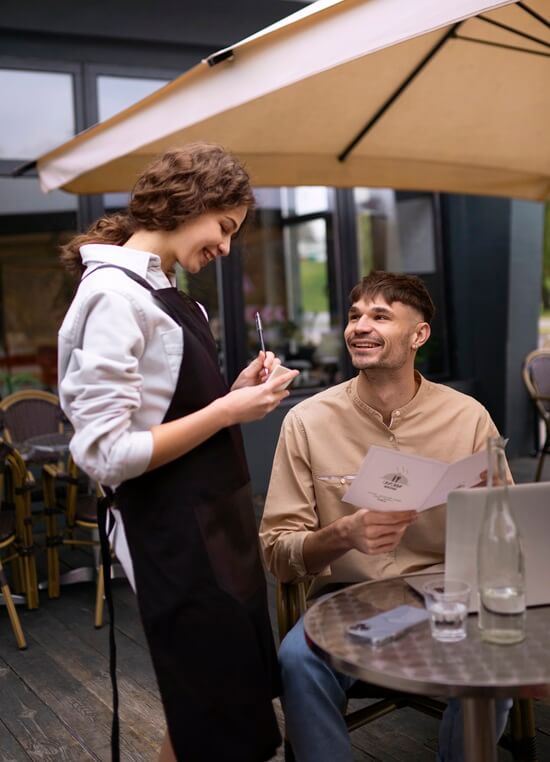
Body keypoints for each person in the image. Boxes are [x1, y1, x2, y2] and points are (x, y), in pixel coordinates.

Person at [58, 142, 298, 762]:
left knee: (217, 703)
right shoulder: (114, 297)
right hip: (171, 533)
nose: (226, 247)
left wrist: (232, 391)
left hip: (220, 527)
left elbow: (169, 409)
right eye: (224, 227)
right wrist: (226, 411)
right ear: (191, 199)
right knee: (216, 711)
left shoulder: (172, 295)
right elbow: (106, 453)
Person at [260, 271, 511, 762]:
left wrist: (494, 513)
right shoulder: (307, 420)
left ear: (419, 335)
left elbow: (509, 535)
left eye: (380, 315)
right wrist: (342, 534)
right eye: (355, 316)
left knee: (497, 655)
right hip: (345, 603)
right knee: (297, 659)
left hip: (449, 599)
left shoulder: (469, 417)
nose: (359, 326)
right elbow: (277, 552)